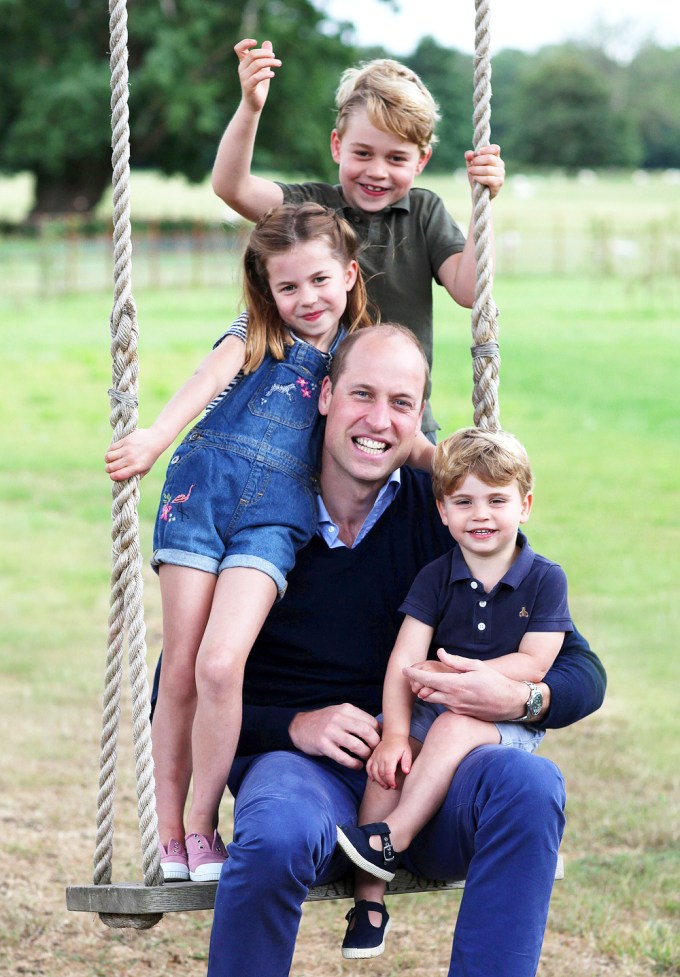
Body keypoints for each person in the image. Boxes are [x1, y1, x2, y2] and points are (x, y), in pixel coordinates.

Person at [195, 324, 607, 977]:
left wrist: (526, 695)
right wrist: (297, 724)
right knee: (274, 830)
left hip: (432, 781)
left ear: (420, 418)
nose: (379, 420)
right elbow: (186, 683)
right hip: (307, 776)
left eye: (401, 402)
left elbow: (581, 669)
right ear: (325, 395)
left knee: (530, 783)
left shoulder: (444, 511)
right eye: (362, 394)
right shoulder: (266, 506)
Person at [104, 202, 383, 883]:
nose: (306, 299)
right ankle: (169, 832)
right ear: (268, 290)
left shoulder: (356, 352)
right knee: (180, 668)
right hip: (200, 494)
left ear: (348, 274)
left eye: (319, 280)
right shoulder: (256, 331)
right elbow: (203, 384)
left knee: (221, 665)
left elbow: (387, 421)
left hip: (276, 516)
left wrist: (456, 465)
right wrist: (153, 437)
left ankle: (203, 821)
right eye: (288, 286)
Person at [335, 427, 573, 959]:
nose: (481, 514)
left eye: (497, 500)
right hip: (434, 701)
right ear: (442, 511)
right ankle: (369, 900)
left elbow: (536, 662)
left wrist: (470, 680)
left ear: (525, 505)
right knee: (386, 762)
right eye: (464, 501)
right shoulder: (436, 577)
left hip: (502, 715)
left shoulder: (545, 580)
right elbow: (404, 660)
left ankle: (393, 835)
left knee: (455, 724)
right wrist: (396, 734)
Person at [211, 39, 506, 439]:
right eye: (363, 153)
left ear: (421, 161)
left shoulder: (424, 213)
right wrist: (251, 106)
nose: (377, 172)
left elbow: (469, 289)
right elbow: (233, 187)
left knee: (419, 499)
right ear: (337, 146)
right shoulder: (311, 208)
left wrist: (480, 203)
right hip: (313, 423)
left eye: (396, 158)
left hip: (402, 423)